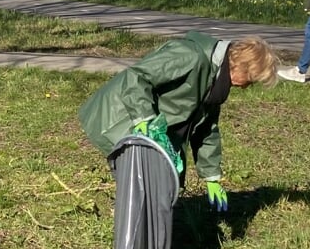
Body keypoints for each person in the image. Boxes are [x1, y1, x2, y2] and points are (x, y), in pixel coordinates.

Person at [79, 34, 281, 211]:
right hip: (119, 117)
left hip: (154, 130)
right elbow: (138, 76)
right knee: (140, 184)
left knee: (155, 187)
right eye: (250, 80)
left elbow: (206, 130)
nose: (246, 87)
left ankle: (147, 242)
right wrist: (143, 118)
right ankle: (134, 240)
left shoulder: (215, 82)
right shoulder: (189, 56)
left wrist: (211, 176)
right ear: (240, 65)